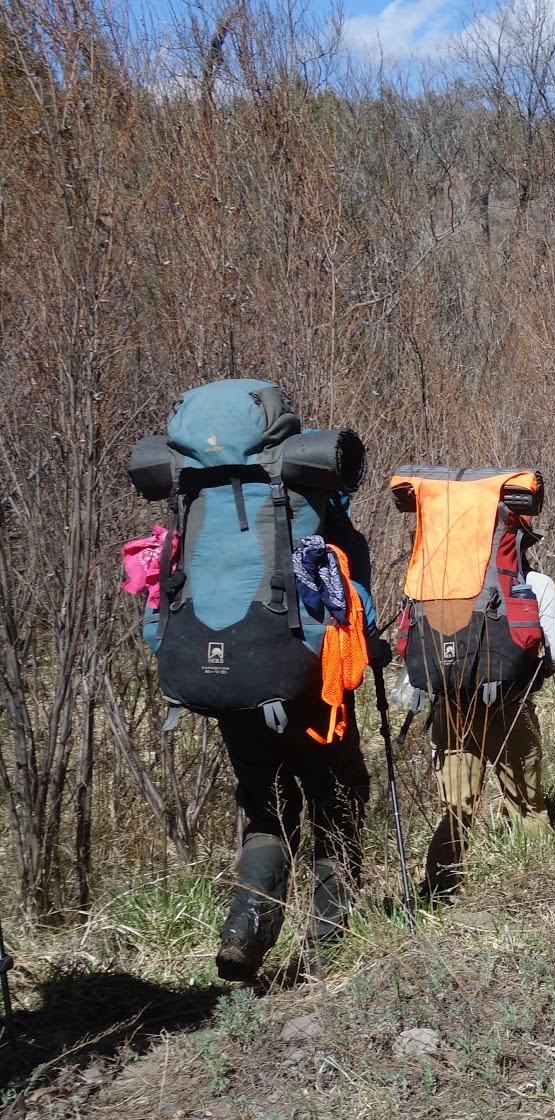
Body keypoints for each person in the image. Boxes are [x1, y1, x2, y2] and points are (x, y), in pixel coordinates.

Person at [125, 378, 380, 983]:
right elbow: (350, 594)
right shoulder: (306, 495)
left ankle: (245, 929)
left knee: (266, 808)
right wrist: (371, 640)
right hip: (305, 684)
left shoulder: (196, 492)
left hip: (226, 674)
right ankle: (329, 938)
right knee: (338, 795)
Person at [417, 567, 555, 898]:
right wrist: (536, 671)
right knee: (526, 805)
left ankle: (439, 891)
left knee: (456, 810)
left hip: (450, 709)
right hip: (510, 707)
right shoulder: (533, 582)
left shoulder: (435, 580)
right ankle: (536, 887)